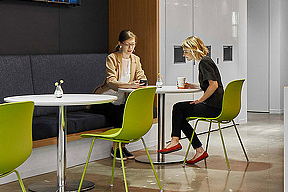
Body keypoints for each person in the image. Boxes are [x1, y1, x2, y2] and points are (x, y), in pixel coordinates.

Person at [159, 35, 223, 165]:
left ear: (194, 49)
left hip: (213, 107)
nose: (183, 55)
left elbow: (214, 85)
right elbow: (206, 85)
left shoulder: (204, 62)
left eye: (186, 51)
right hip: (216, 105)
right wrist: (191, 85)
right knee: (180, 115)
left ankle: (175, 141)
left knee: (178, 108)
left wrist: (200, 100)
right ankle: (198, 149)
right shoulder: (205, 61)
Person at [93, 30, 147, 159]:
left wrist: (141, 82)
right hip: (106, 99)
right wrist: (130, 85)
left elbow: (142, 75)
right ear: (120, 44)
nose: (130, 48)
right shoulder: (112, 58)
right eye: (127, 44)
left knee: (127, 111)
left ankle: (122, 146)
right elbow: (111, 82)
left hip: (122, 99)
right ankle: (115, 148)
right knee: (121, 112)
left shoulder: (136, 59)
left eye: (133, 44)